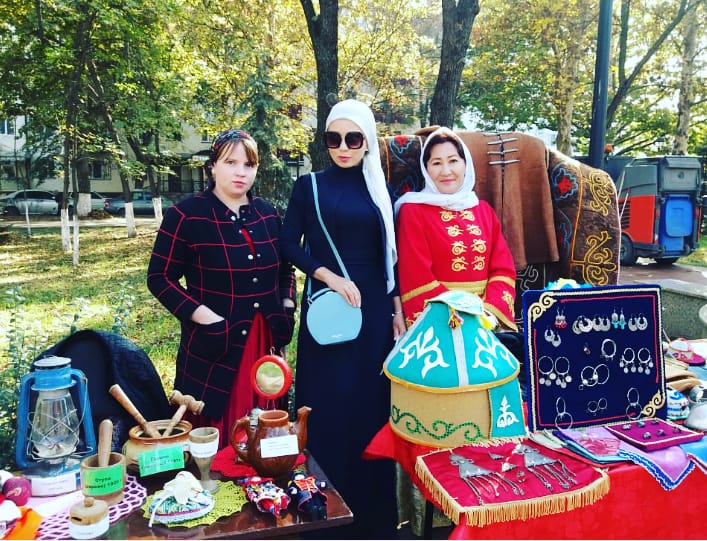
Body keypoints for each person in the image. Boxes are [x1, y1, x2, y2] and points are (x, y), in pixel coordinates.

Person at [280, 99, 405, 538]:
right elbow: (288, 244)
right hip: (329, 310)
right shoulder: (309, 186)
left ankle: (374, 522)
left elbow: (390, 259)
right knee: (328, 408)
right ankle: (323, 517)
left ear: (367, 141)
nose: (344, 147)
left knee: (371, 409)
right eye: (334, 139)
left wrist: (396, 311)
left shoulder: (380, 191)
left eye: (354, 138)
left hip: (373, 314)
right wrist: (329, 277)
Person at [147, 128, 296, 449]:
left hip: (264, 344)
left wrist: (286, 307)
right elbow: (160, 278)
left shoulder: (267, 214)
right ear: (212, 166)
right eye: (231, 162)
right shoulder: (186, 215)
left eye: (249, 164)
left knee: (267, 432)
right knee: (219, 436)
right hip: (214, 344)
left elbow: (286, 269)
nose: (241, 172)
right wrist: (204, 317)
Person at [394, 126, 518, 331]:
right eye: (436, 163)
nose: (446, 171)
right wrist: (459, 316)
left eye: (453, 161)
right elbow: (416, 275)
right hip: (442, 322)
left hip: (486, 322)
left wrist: (487, 313)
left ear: (465, 164)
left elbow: (503, 269)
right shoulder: (412, 211)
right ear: (426, 169)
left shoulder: (483, 210)